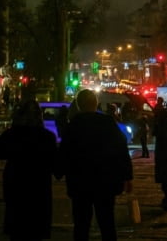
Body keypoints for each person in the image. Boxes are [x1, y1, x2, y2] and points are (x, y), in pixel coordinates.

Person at [56, 89, 133, 241]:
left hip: (80, 183)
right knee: (107, 223)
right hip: (105, 181)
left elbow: (65, 152)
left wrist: (58, 171)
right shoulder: (107, 122)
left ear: (79, 105)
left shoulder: (73, 126)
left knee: (81, 225)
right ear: (95, 103)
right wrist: (127, 176)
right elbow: (121, 148)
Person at [0, 100, 58, 241]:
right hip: (39, 191)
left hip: (16, 189)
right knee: (36, 232)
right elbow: (56, 164)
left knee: (18, 232)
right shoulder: (47, 137)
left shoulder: (13, 134)